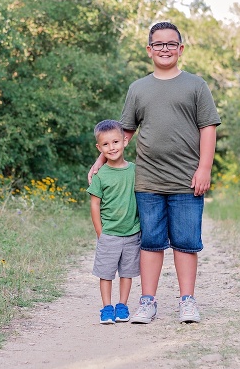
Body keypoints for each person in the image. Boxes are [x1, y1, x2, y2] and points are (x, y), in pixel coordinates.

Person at [88, 22, 220, 324]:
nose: (164, 49)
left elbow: (208, 128)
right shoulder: (138, 89)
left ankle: (187, 300)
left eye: (171, 44)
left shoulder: (196, 86)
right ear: (149, 50)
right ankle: (148, 301)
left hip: (187, 181)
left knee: (186, 242)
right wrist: (99, 162)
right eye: (158, 44)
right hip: (147, 181)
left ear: (181, 49)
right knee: (150, 242)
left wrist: (204, 168)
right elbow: (124, 134)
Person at [87, 119, 141, 324]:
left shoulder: (135, 170)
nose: (112, 147)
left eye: (116, 142)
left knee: (127, 272)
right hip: (109, 233)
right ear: (99, 148)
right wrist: (100, 232)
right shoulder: (100, 175)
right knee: (106, 272)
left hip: (132, 232)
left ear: (125, 141)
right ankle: (107, 308)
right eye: (106, 144)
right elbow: (94, 205)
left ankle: (122, 305)